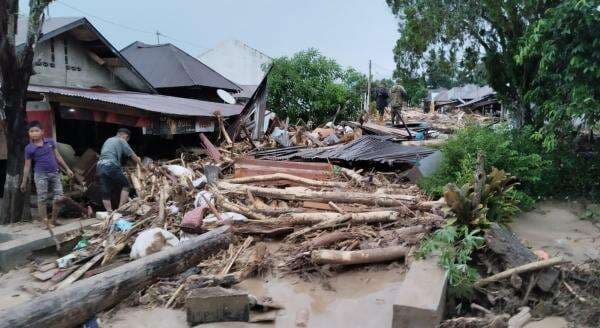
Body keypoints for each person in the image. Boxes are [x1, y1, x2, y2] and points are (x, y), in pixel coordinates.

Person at [20, 121, 91, 227]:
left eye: (36, 131)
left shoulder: (50, 142)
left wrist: (67, 169)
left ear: (42, 132)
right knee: (42, 198)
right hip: (40, 175)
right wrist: (24, 181)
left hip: (55, 173)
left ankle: (53, 220)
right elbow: (27, 165)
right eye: (31, 131)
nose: (34, 133)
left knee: (59, 197)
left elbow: (58, 157)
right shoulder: (29, 148)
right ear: (28, 133)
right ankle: (45, 223)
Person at [97, 128, 143, 211]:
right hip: (110, 164)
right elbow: (132, 155)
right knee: (126, 185)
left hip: (100, 165)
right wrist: (141, 165)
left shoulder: (109, 140)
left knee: (106, 189)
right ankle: (120, 209)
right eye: (127, 139)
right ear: (125, 136)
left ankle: (109, 212)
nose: (127, 141)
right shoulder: (121, 140)